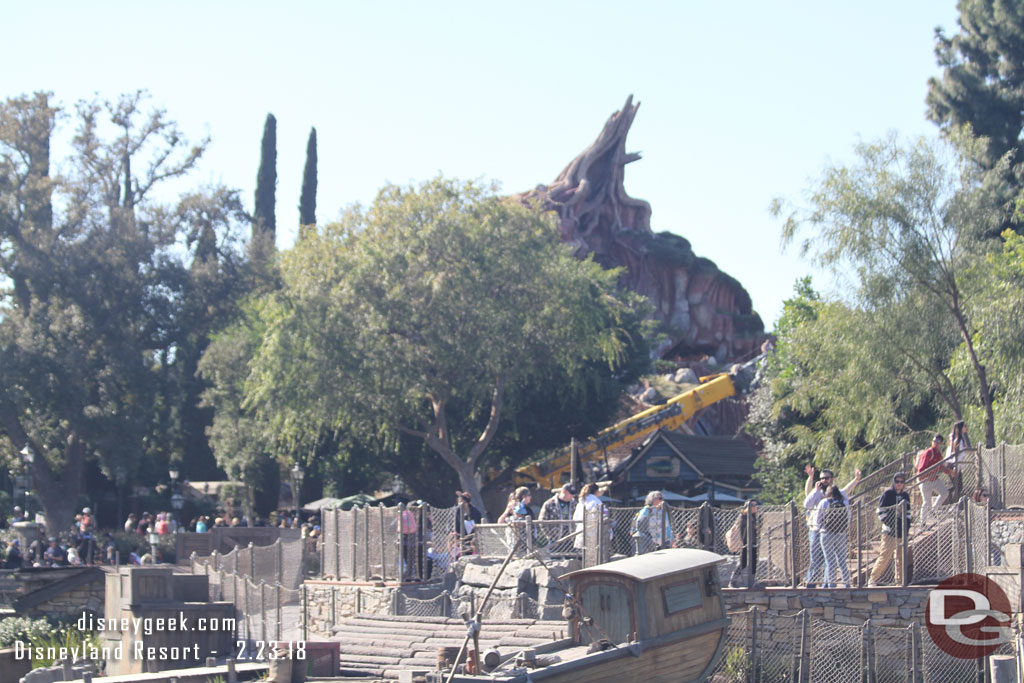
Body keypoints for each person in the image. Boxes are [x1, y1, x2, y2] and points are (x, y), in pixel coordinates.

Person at [803, 465, 861, 587]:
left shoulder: (837, 494)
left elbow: (847, 490)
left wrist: (856, 480)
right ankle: (811, 584)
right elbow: (807, 502)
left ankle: (827, 584)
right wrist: (814, 486)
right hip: (816, 530)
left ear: (832, 479)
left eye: (827, 478)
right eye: (822, 478)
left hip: (828, 531)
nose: (824, 480)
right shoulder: (817, 493)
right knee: (816, 559)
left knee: (828, 560)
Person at [868, 474, 912, 586]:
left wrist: (906, 527)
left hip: (902, 532)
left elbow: (908, 513)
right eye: (897, 481)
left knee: (901, 558)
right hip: (889, 532)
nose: (899, 484)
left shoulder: (905, 496)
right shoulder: (888, 494)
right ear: (894, 482)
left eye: (902, 482)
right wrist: (891, 523)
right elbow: (880, 512)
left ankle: (900, 582)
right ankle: (872, 580)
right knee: (885, 557)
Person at [816, 485, 850, 588]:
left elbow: (817, 520)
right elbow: (848, 519)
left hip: (826, 534)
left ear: (828, 493)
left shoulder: (824, 502)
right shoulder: (844, 502)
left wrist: (820, 527)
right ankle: (847, 584)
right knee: (842, 561)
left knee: (830, 561)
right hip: (840, 534)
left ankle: (831, 585)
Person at [915, 433, 952, 526]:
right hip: (925, 480)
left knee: (945, 493)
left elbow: (941, 466)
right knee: (926, 502)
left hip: (934, 479)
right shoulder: (928, 453)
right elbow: (921, 469)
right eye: (934, 441)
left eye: (938, 442)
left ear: (941, 444)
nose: (936, 443)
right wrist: (923, 478)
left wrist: (950, 472)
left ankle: (933, 510)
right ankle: (922, 523)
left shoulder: (938, 454)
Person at [729, 501, 759, 588]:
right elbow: (742, 530)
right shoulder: (744, 516)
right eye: (753, 505)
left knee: (753, 562)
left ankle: (752, 582)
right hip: (745, 543)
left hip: (753, 542)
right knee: (743, 562)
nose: (755, 507)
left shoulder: (754, 516)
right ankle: (733, 580)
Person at [538, 484, 576, 551]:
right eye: (570, 494)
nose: (572, 496)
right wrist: (549, 535)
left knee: (571, 558)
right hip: (555, 538)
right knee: (554, 559)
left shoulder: (574, 504)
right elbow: (542, 521)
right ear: (564, 491)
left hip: (570, 538)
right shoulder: (549, 503)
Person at [572, 483, 608, 552]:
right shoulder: (596, 501)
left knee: (583, 553)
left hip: (581, 529)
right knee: (595, 552)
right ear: (597, 491)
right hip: (594, 531)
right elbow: (604, 513)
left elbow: (575, 518)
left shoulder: (581, 502)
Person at [947, 421, 971, 501]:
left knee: (958, 486)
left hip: (956, 465)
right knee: (958, 487)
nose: (966, 428)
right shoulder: (958, 440)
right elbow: (957, 455)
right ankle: (952, 502)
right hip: (954, 465)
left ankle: (952, 500)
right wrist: (955, 468)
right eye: (965, 426)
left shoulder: (958, 439)